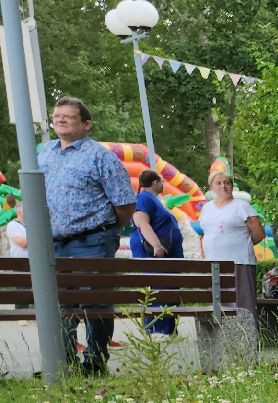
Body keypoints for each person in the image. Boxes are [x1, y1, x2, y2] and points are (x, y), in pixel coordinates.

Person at [42, 97, 134, 374]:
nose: (60, 120)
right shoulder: (45, 153)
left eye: (68, 116)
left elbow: (125, 203)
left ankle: (95, 361)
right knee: (61, 303)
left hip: (93, 241)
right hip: (55, 243)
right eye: (56, 116)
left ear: (87, 124)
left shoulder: (100, 156)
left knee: (95, 302)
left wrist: (106, 231)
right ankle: (63, 361)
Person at [130, 169, 184, 337]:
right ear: (154, 182)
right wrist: (156, 245)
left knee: (165, 288)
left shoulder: (153, 199)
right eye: (161, 181)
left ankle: (167, 329)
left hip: (166, 257)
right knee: (158, 288)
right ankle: (157, 330)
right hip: (155, 256)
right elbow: (141, 222)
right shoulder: (144, 198)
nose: (163, 185)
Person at [198, 171, 264, 274]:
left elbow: (259, 234)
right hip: (212, 262)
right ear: (212, 187)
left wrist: (240, 244)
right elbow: (205, 233)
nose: (223, 186)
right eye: (218, 183)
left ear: (232, 186)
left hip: (240, 262)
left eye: (227, 183)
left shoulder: (242, 206)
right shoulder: (206, 207)